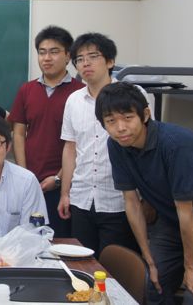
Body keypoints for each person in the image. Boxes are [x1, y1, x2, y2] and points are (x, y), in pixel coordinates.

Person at [96, 82, 193, 304]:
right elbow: (131, 202)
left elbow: (186, 211)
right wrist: (148, 258)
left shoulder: (175, 145)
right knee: (154, 285)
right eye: (111, 121)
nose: (120, 128)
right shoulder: (116, 145)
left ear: (145, 115)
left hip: (187, 215)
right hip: (172, 222)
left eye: (127, 118)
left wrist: (192, 268)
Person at [57, 32, 137, 257]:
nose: (86, 63)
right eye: (80, 59)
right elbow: (70, 148)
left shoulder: (132, 95)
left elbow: (145, 148)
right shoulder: (73, 100)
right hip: (81, 198)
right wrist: (65, 193)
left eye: (93, 56)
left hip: (119, 200)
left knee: (115, 267)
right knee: (82, 264)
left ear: (110, 61)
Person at [9, 26, 84, 237]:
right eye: (42, 52)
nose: (47, 58)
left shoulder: (80, 93)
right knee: (26, 238)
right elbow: (18, 133)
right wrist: (24, 174)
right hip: (30, 181)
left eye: (54, 52)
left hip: (65, 184)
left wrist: (58, 178)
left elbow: (79, 143)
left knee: (58, 241)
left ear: (68, 56)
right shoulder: (27, 89)